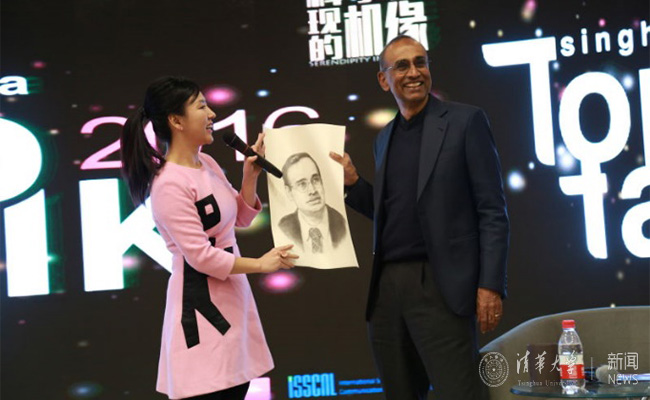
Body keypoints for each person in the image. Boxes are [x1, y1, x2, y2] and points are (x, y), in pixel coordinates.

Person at [330, 35, 509, 399]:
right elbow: (390, 213)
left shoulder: (465, 121)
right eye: (402, 66)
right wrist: (353, 184)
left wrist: (490, 284)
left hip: (442, 284)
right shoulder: (384, 138)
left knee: (460, 393)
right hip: (387, 289)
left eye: (420, 62)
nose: (414, 72)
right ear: (384, 80)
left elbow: (492, 211)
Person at [120, 76, 297, 400]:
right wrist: (261, 264)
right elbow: (200, 257)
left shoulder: (208, 163)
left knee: (237, 385)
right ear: (176, 121)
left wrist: (249, 177)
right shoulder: (168, 184)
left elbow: (240, 218)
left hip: (233, 298)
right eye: (201, 106)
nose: (212, 114)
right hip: (201, 311)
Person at [278, 152, 347, 254]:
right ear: (289, 193)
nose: (312, 190)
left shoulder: (343, 223)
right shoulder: (283, 229)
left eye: (315, 180)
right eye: (302, 184)